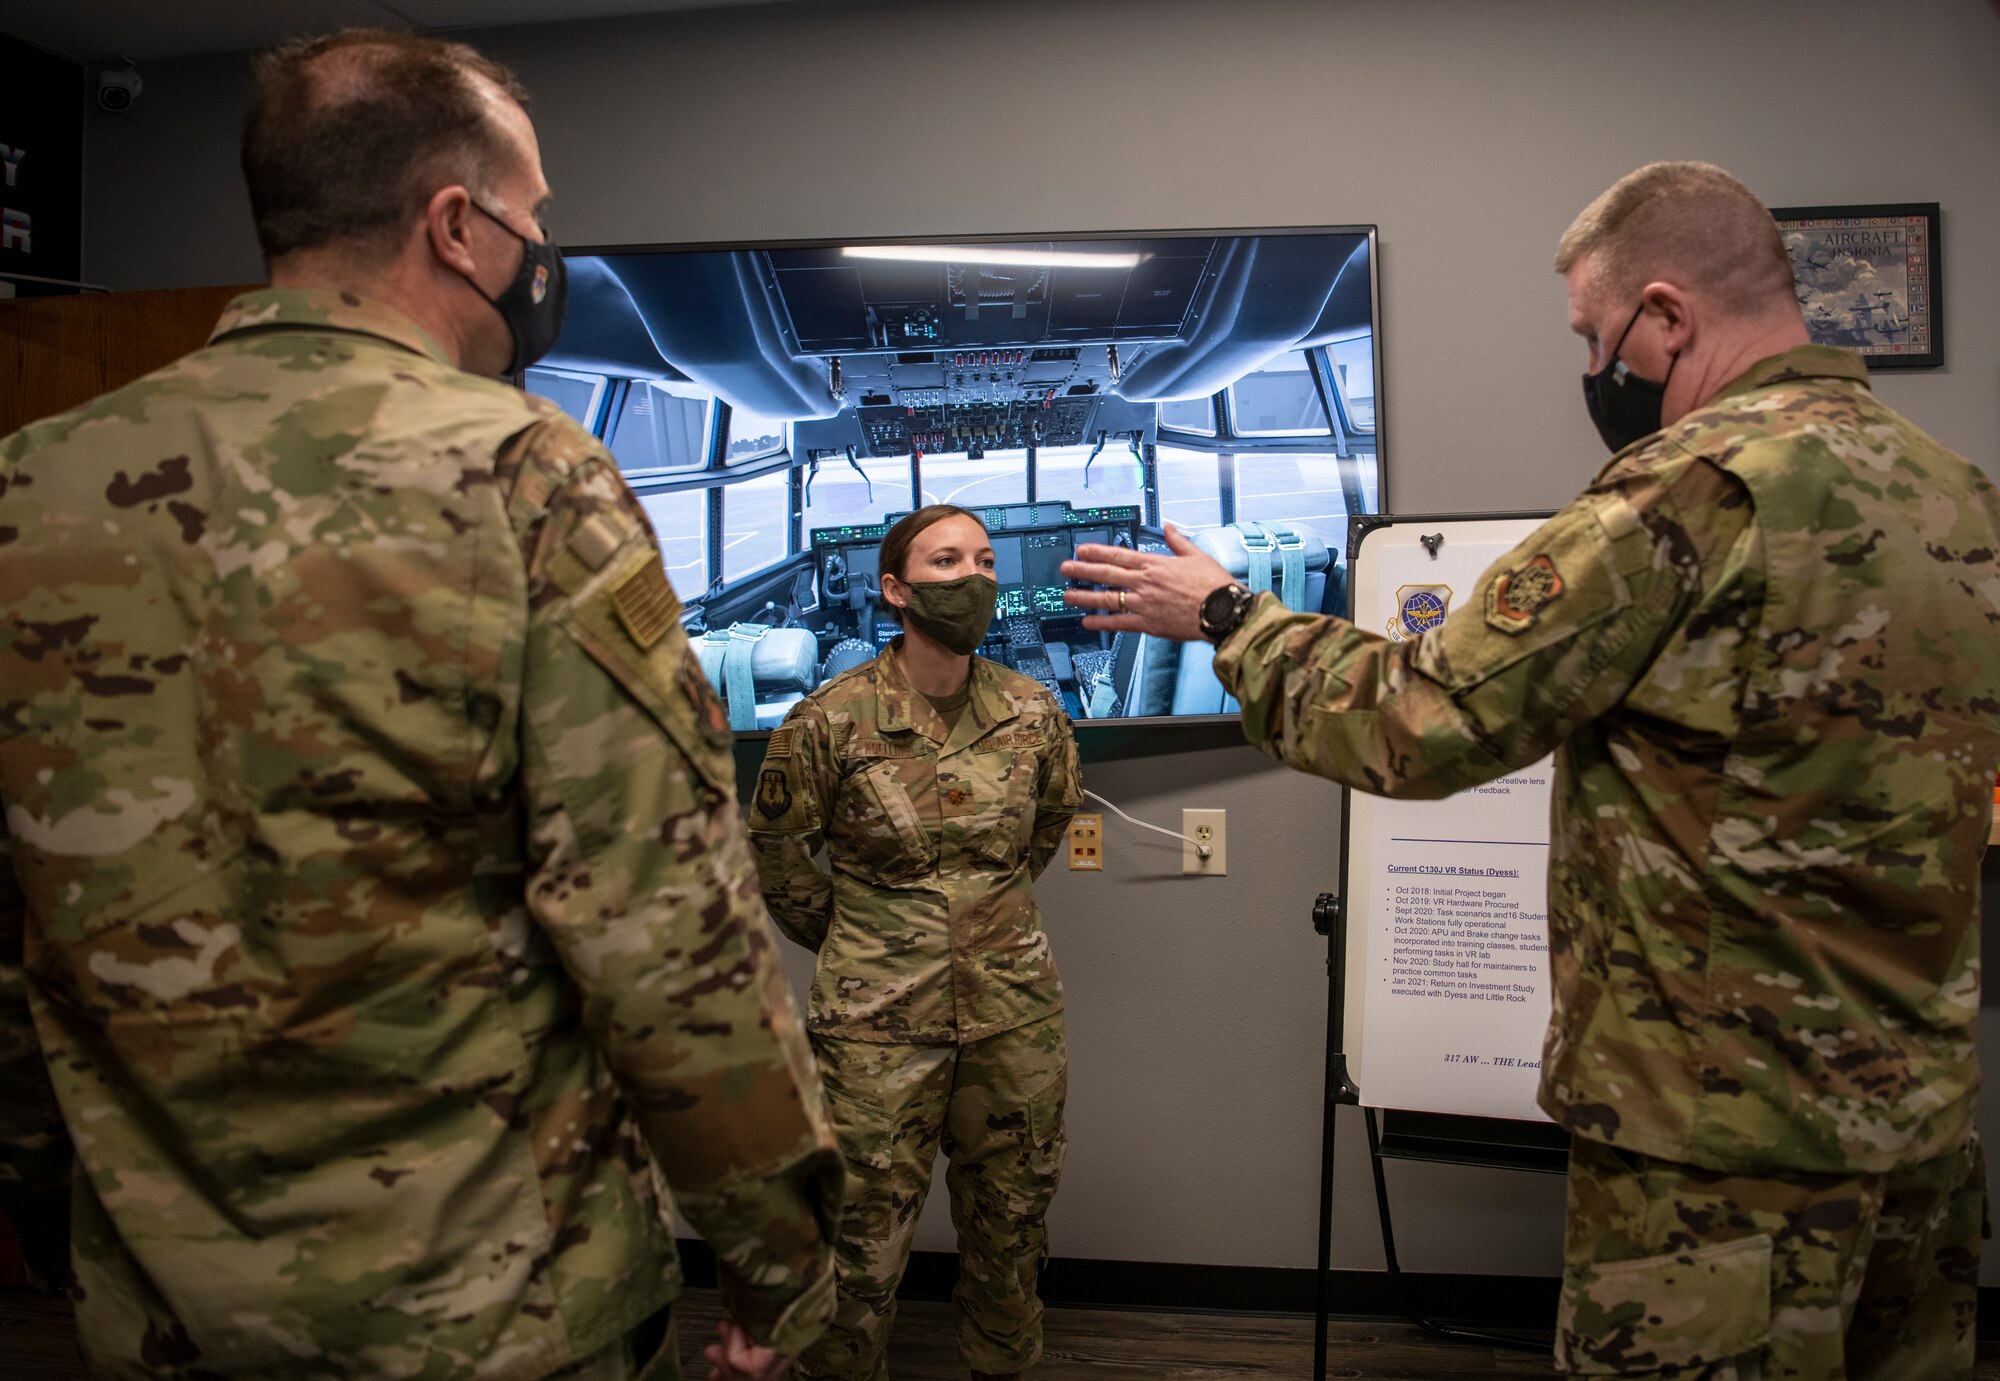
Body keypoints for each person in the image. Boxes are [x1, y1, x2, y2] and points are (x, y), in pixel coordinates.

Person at [1061, 162, 2000, 1380]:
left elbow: (1416, 720)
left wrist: (1227, 615)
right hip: (1916, 1119)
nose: (1594, 370)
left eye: (1593, 336)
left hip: (1721, 1146)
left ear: (1663, 317)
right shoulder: (1953, 492)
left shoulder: (1690, 490)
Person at [0, 30, 840, 1381]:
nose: (546, 249)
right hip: (486, 1312)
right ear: (457, 226)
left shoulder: (29, 482)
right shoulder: (523, 477)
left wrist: (47, 1200)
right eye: (537, 214)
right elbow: (659, 920)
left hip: (156, 1309)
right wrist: (773, 1247)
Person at [748, 505, 1082, 1381]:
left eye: (981, 558)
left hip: (1013, 1021)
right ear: (896, 589)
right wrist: (867, 942)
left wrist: (977, 927)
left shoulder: (1033, 711)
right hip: (874, 1034)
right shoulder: (830, 719)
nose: (971, 577)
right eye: (944, 561)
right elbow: (779, 855)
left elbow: (1041, 836)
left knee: (1012, 1229)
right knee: (857, 1243)